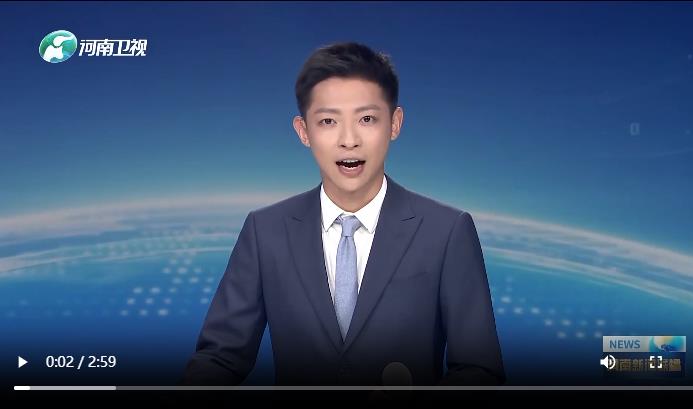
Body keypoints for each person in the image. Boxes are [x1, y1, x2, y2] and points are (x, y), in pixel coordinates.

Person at [181, 42, 505, 386]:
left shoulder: (447, 231)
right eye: (328, 121)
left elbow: (479, 369)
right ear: (304, 131)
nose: (349, 140)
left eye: (367, 119)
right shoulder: (266, 230)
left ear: (394, 124)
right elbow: (220, 358)